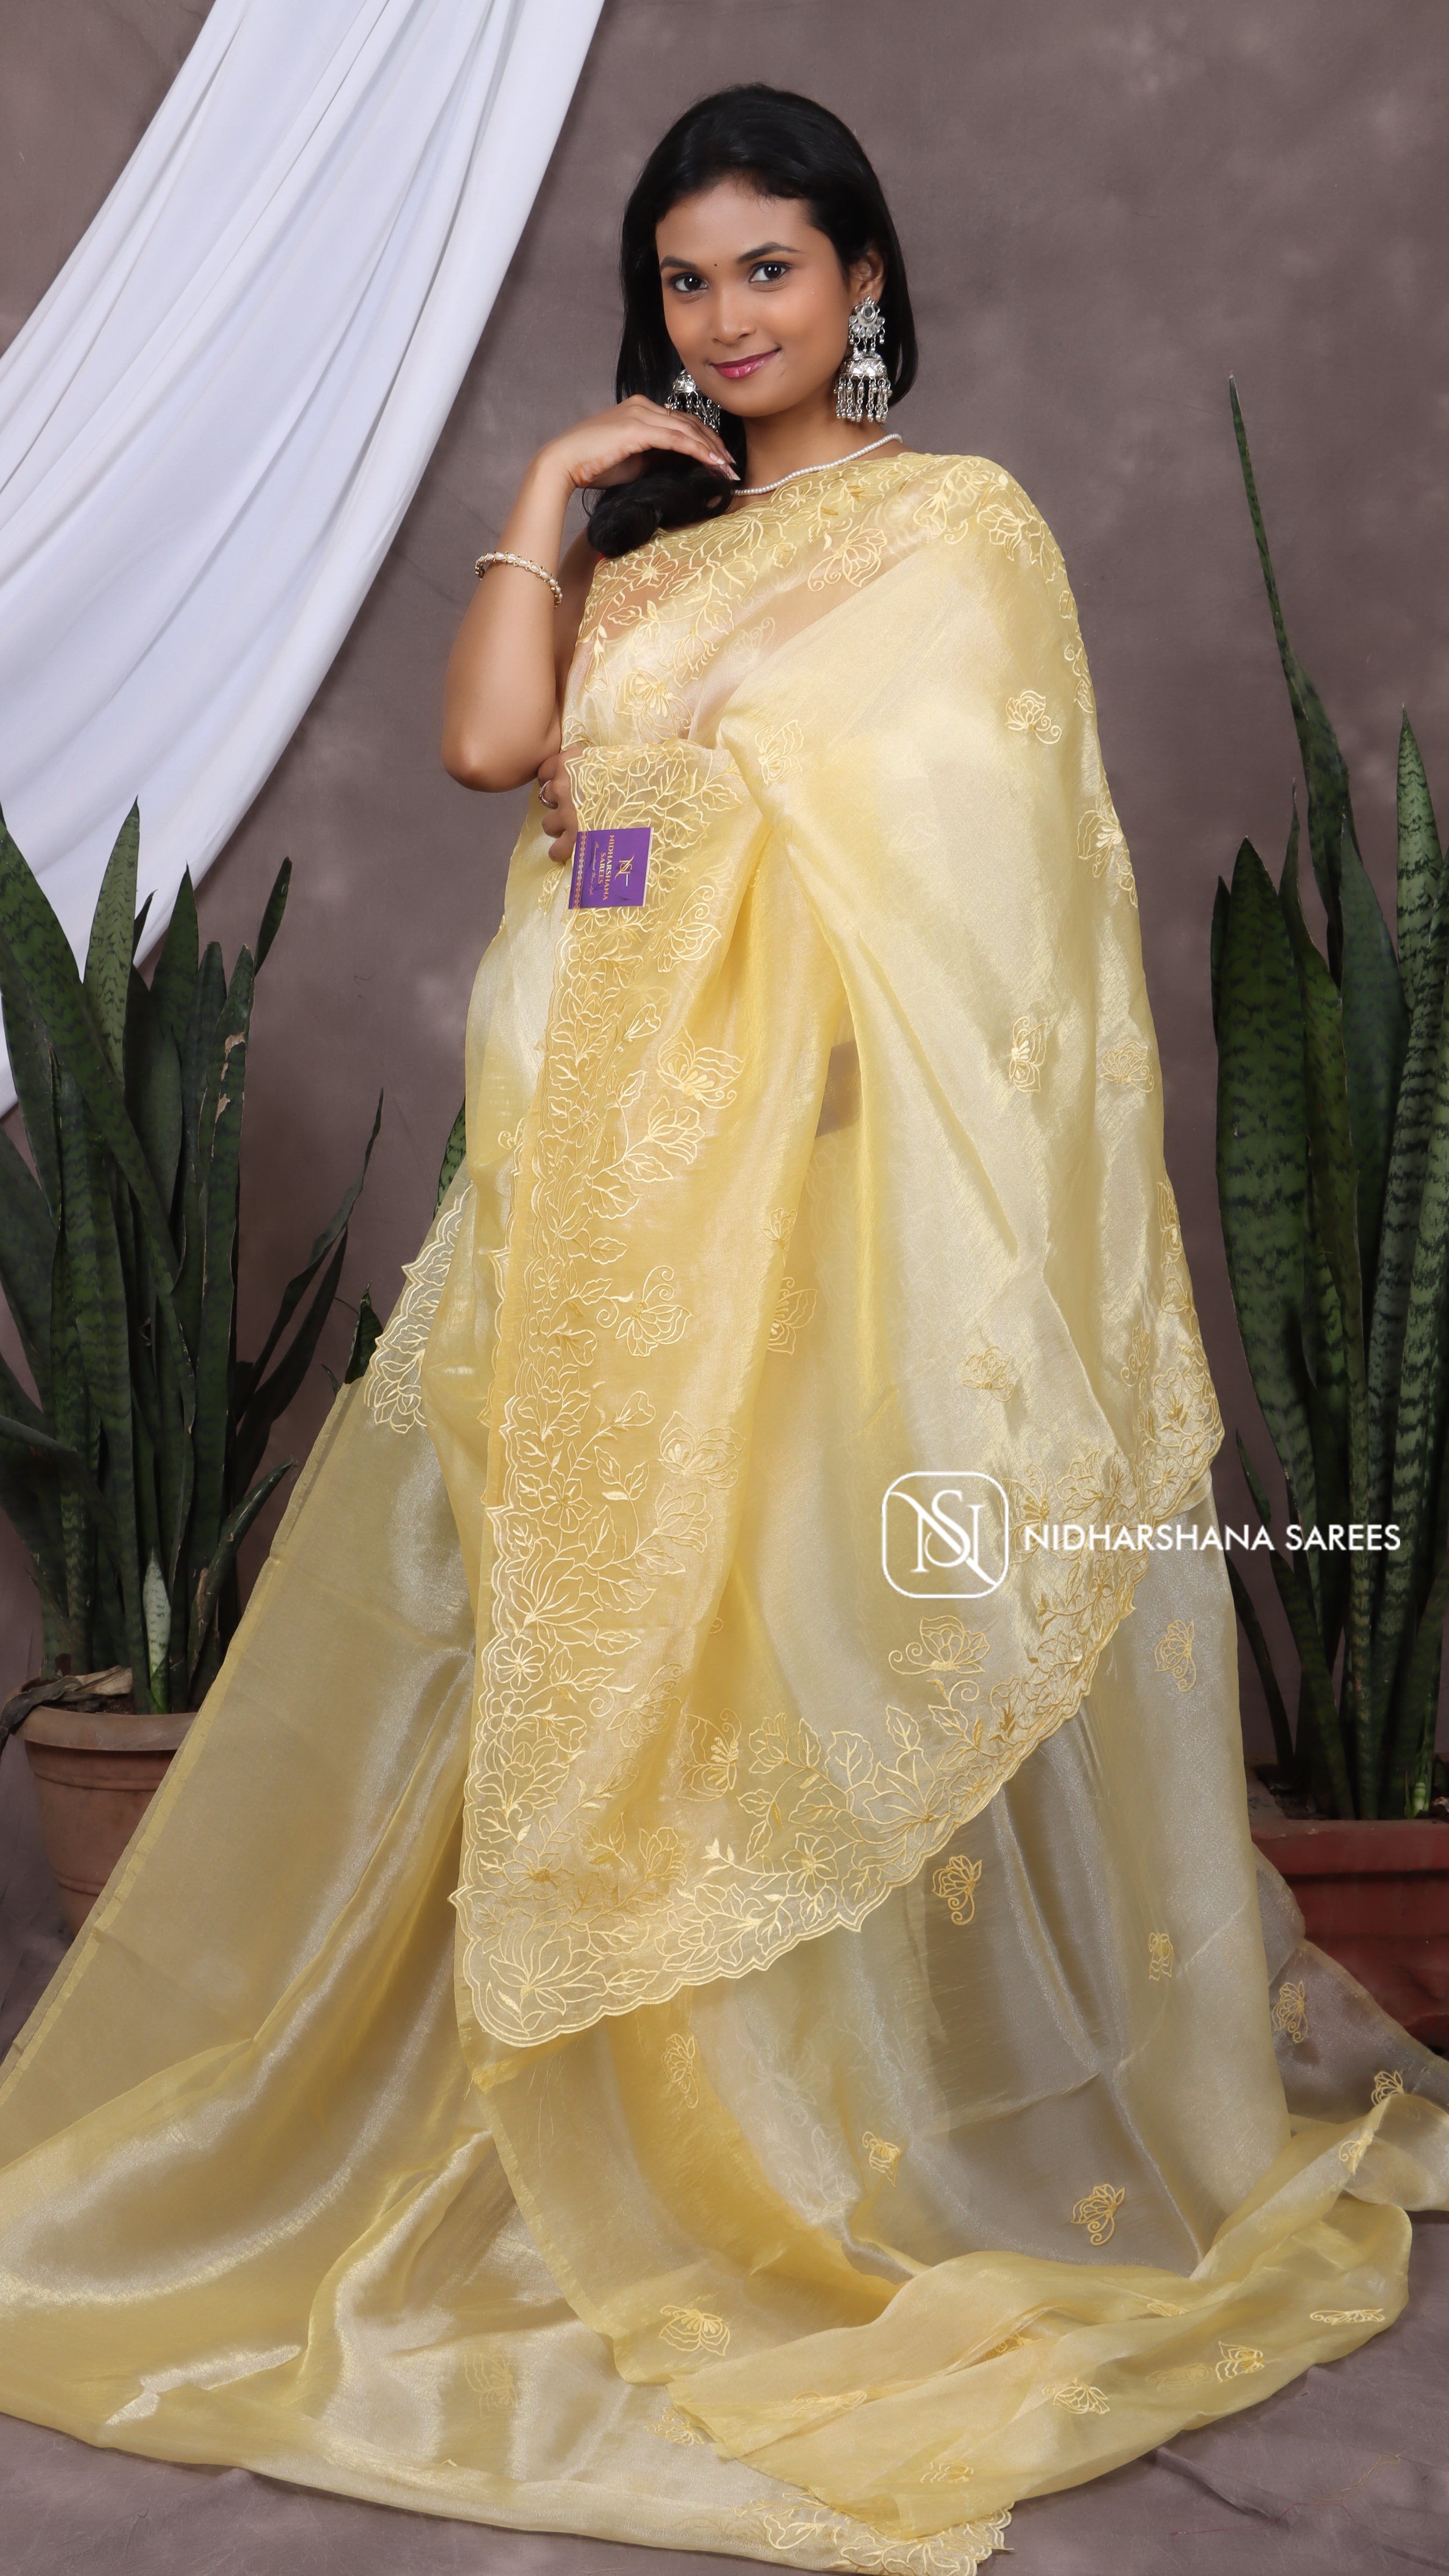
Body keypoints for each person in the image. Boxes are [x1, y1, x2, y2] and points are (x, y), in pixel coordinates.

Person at [1, 83, 1445, 2576]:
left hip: (805, 1211)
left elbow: (979, 913)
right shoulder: (649, 551)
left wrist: (753, 1020)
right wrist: (555, 487)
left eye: (770, 267)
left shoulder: (954, 533)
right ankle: (584, 2138)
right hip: (584, 1203)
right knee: (577, 1659)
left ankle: (796, 2167)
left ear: (863, 279)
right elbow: (494, 750)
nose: (728, 316)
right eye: (686, 280)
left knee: (773, 1658)